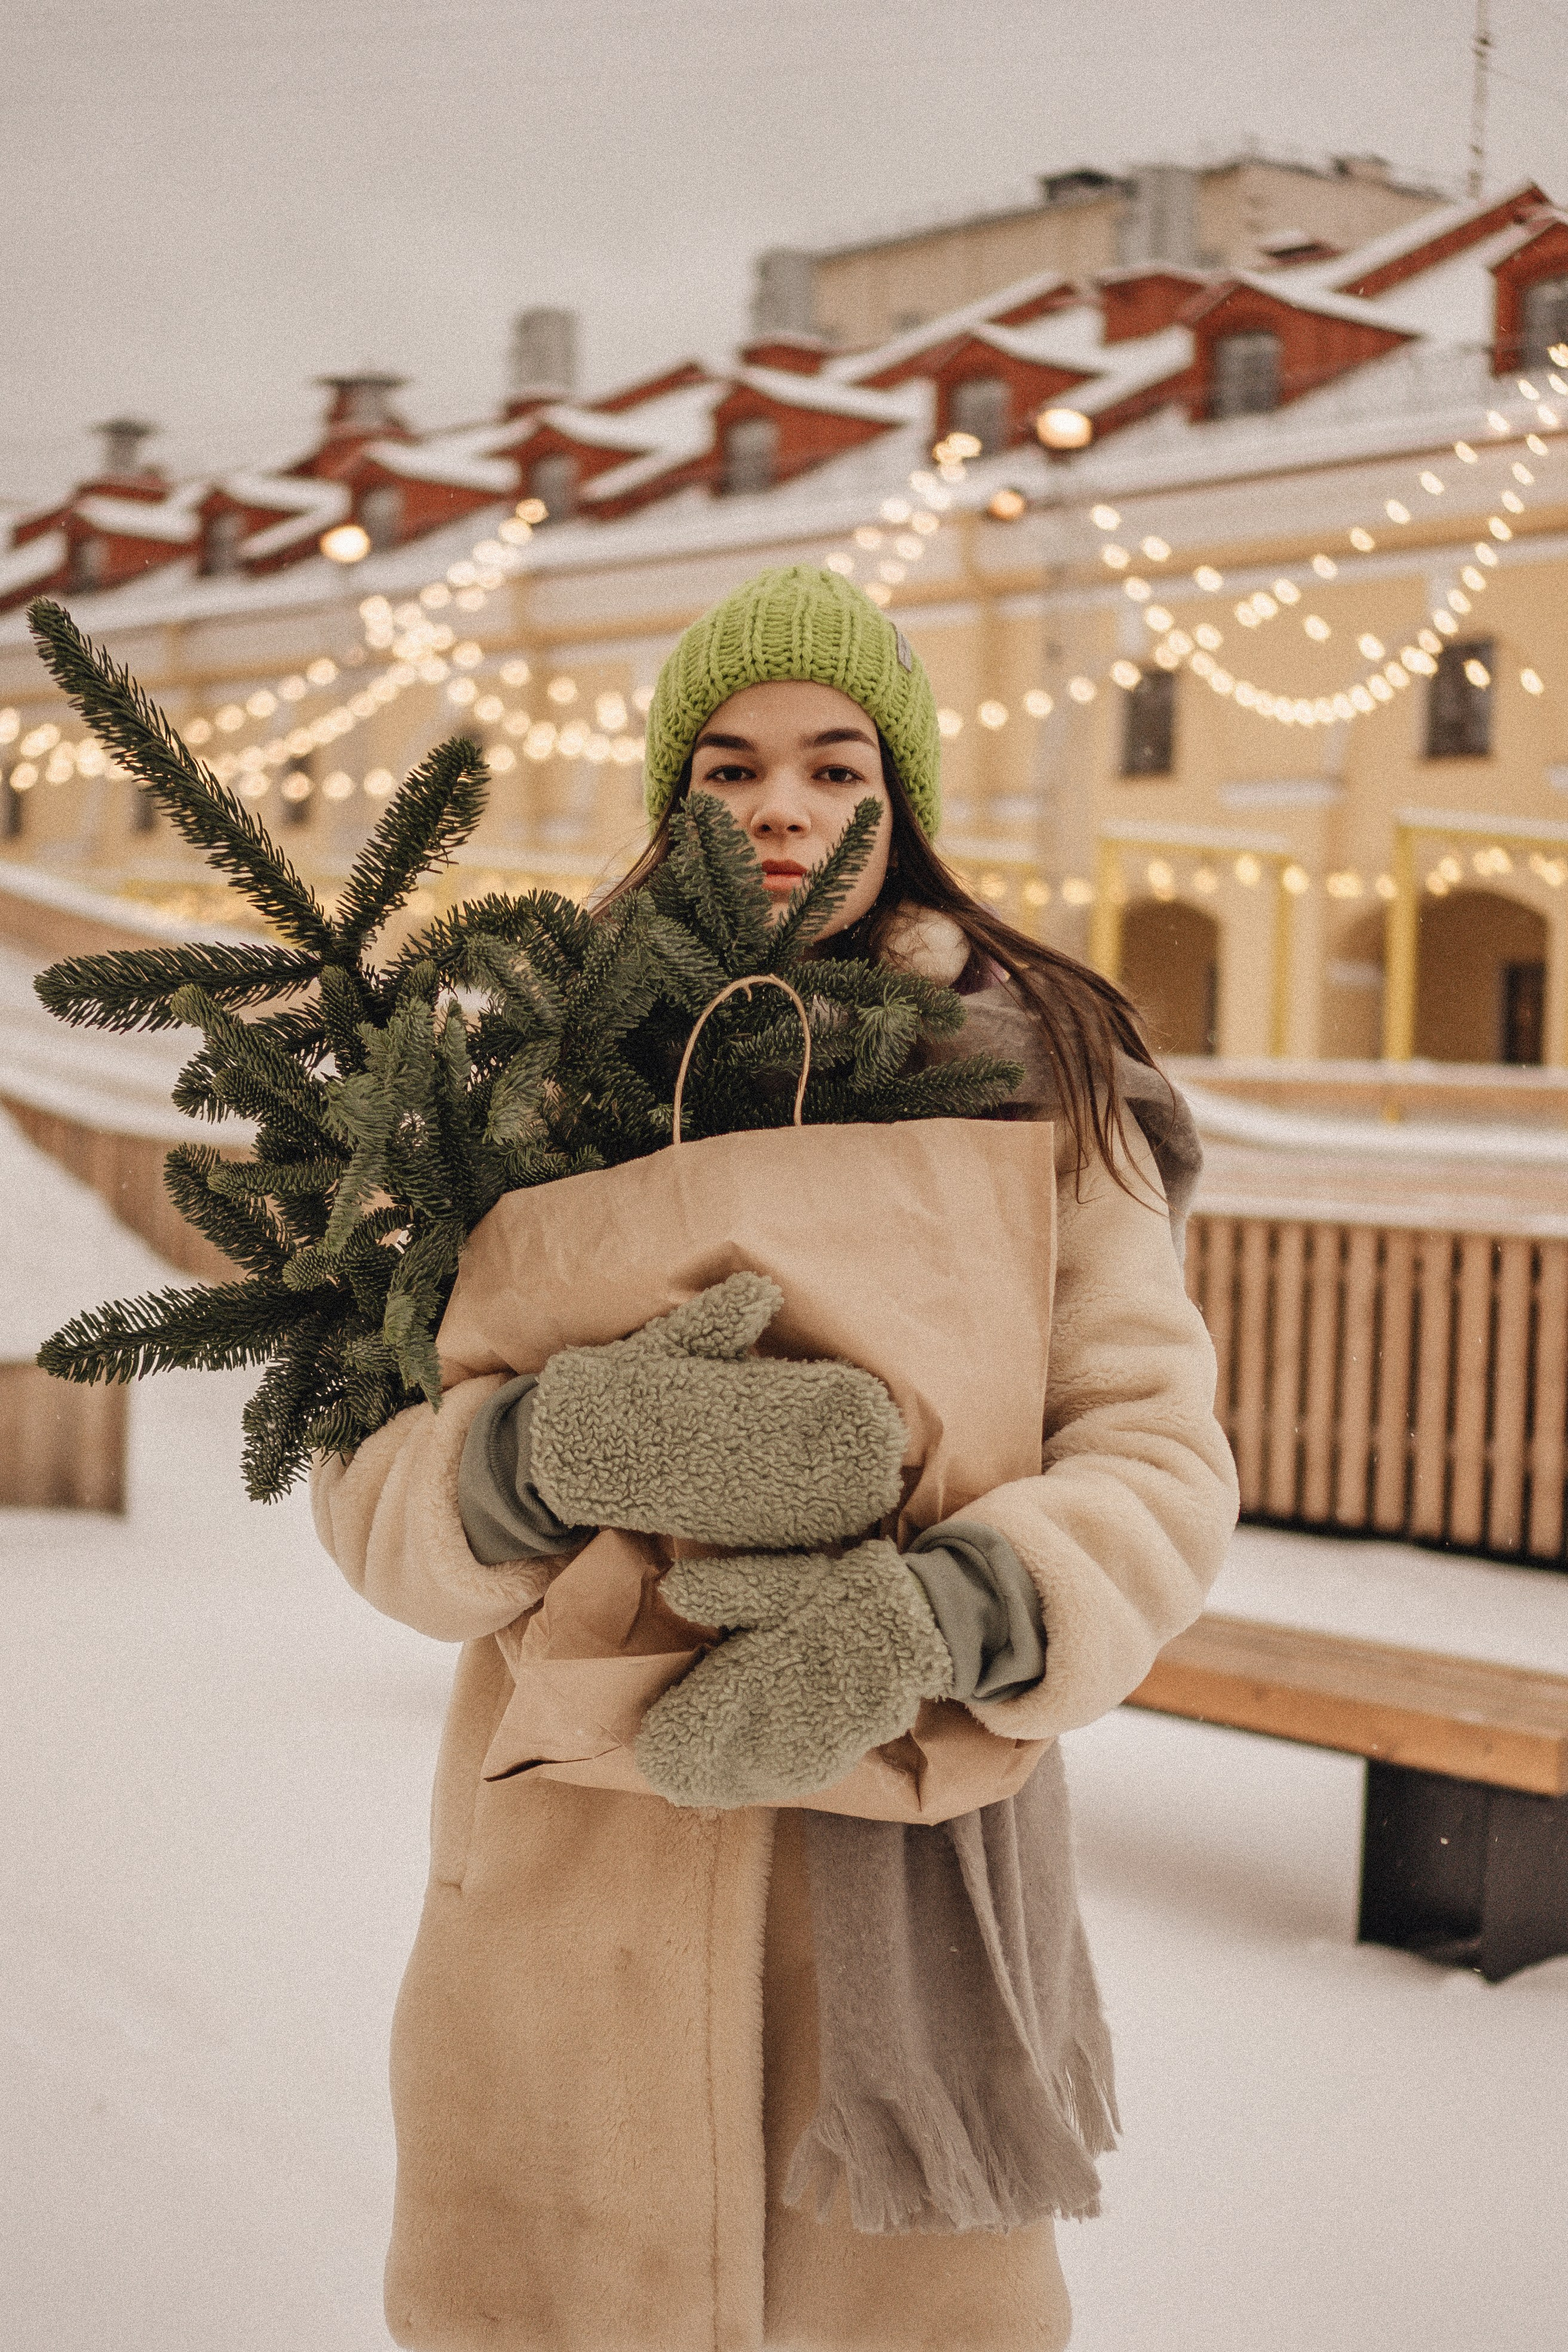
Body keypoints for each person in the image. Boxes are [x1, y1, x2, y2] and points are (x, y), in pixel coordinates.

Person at [311, 565, 1239, 2352]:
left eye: (835, 766)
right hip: (571, 1881)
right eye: (730, 770)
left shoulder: (1041, 1071)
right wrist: (536, 1452)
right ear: (675, 802)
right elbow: (369, 1490)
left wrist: (950, 1613)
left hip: (896, 1849)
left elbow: (1155, 1455)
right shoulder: (536, 1076)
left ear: (903, 802)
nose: (785, 810)